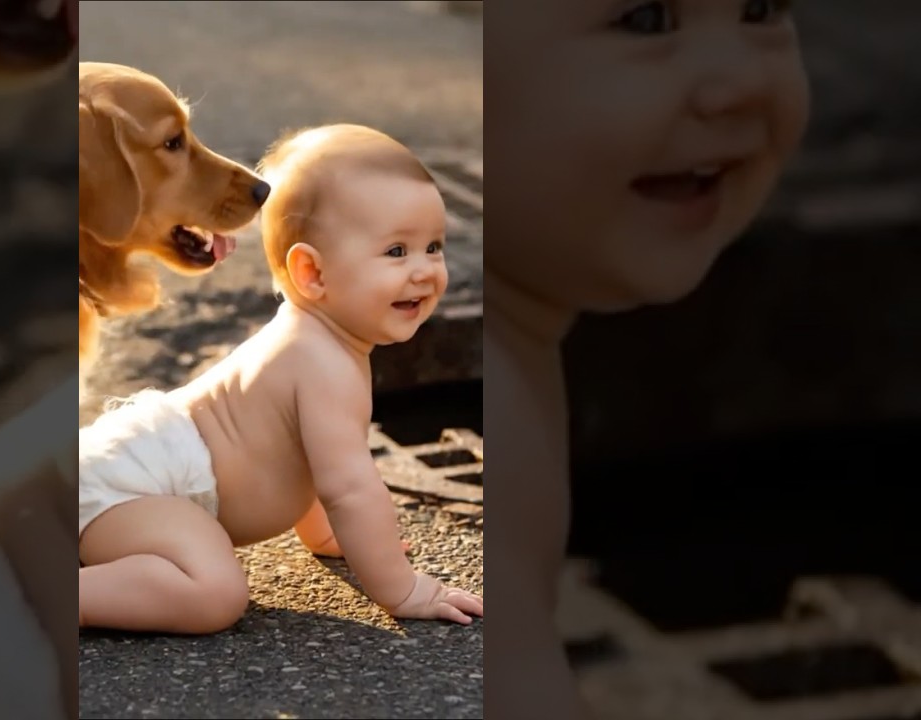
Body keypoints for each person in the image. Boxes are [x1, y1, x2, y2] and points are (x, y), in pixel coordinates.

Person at [483, 1, 811, 718]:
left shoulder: (506, 340)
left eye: (764, 9)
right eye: (647, 22)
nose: (738, 86)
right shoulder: (492, 416)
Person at [77, 123, 485, 633]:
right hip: (129, 494)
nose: (425, 270)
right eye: (397, 252)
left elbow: (311, 458)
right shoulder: (321, 361)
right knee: (214, 594)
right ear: (312, 274)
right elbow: (349, 487)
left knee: (209, 571)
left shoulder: (317, 342)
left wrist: (328, 537)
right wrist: (403, 587)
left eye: (435, 246)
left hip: (140, 477)